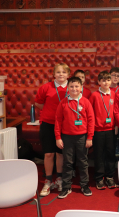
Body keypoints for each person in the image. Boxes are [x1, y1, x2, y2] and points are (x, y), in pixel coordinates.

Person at [55, 77, 95, 198]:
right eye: (71, 86)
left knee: (83, 162)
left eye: (77, 86)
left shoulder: (86, 102)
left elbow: (91, 120)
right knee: (67, 162)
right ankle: (66, 187)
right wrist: (58, 137)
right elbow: (58, 121)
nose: (74, 89)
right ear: (68, 88)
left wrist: (90, 137)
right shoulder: (63, 102)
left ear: (81, 88)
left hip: (82, 137)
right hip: (66, 137)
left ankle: (84, 185)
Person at [35, 63, 70, 196]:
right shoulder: (45, 87)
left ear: (68, 74)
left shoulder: (71, 87)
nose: (61, 74)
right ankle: (48, 181)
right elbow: (38, 103)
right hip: (48, 124)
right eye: (58, 72)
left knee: (60, 153)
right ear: (54, 74)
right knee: (49, 153)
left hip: (65, 125)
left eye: (64, 72)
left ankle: (59, 179)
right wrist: (50, 111)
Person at [89, 71, 117, 190]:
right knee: (99, 155)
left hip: (111, 129)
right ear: (99, 82)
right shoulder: (94, 95)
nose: (106, 82)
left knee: (111, 154)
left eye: (108, 80)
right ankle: (99, 178)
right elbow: (90, 113)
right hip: (98, 130)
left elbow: (116, 111)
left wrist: (116, 126)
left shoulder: (114, 94)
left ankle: (109, 176)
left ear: (111, 81)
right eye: (103, 80)